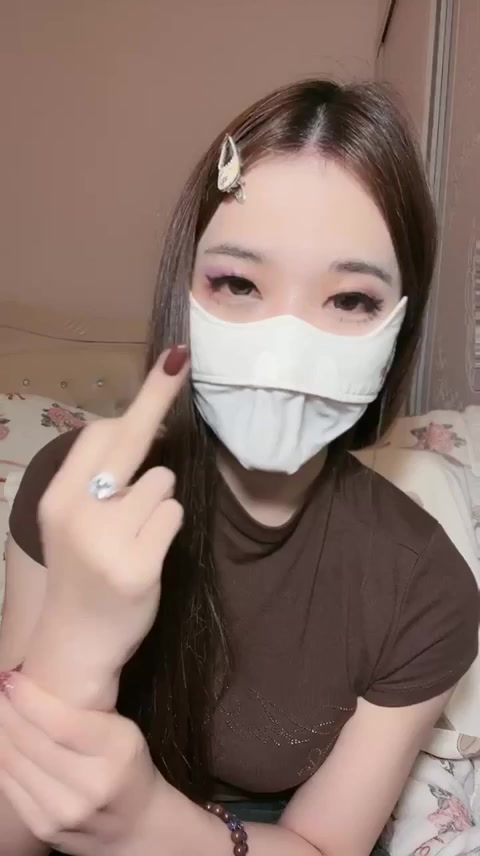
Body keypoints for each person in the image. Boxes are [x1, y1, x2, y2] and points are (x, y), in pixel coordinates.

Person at [0, 78, 478, 856]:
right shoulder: (77, 488)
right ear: (183, 291)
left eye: (350, 300)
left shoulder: (426, 589)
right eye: (238, 283)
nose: (285, 352)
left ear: (400, 327)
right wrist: (74, 644)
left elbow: (323, 846)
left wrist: (148, 824)